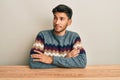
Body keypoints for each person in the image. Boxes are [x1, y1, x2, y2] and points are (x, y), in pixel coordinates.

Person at [29, 4, 87, 68]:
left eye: (61, 19)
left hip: (67, 77)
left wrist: (51, 60)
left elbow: (82, 62)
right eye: (55, 18)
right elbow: (33, 62)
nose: (57, 22)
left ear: (69, 22)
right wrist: (65, 59)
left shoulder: (74, 37)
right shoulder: (42, 36)